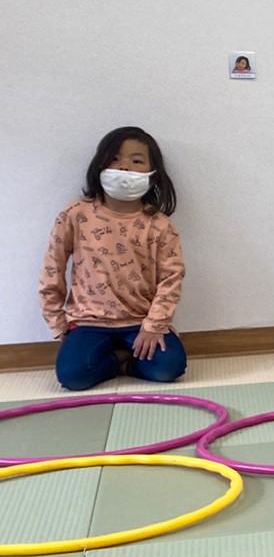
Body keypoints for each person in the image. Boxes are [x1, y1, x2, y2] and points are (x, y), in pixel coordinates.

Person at [38, 127, 187, 390]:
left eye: (137, 161)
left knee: (169, 366)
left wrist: (154, 326)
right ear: (100, 165)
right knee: (72, 376)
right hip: (88, 322)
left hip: (140, 322)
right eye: (115, 158)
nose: (125, 167)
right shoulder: (76, 215)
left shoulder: (159, 225)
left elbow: (171, 278)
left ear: (153, 174)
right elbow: (53, 267)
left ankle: (127, 364)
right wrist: (57, 322)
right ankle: (116, 360)